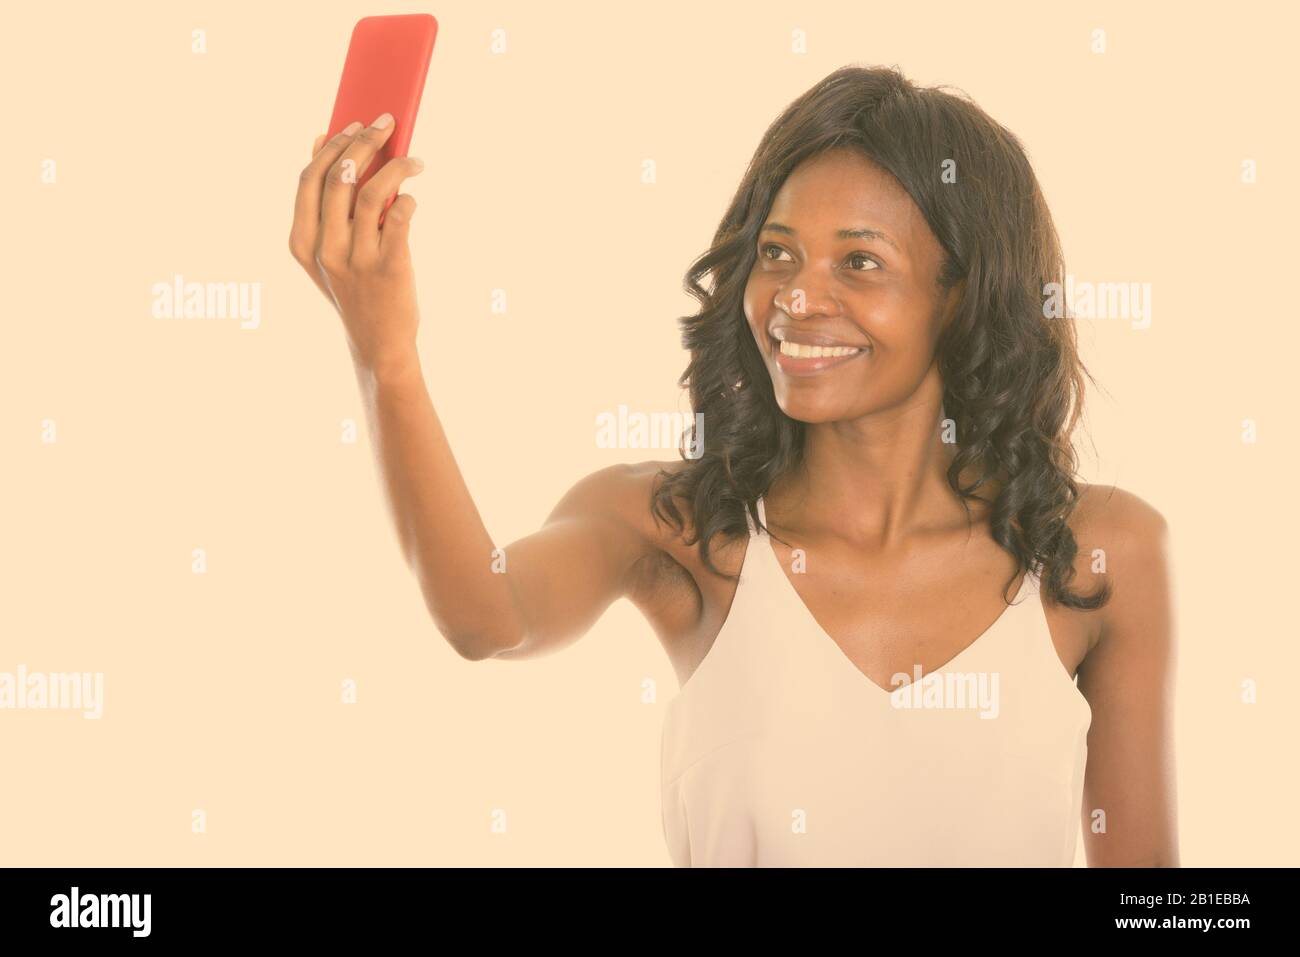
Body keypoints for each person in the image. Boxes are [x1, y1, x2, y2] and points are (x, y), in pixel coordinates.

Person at [288, 65, 1177, 867]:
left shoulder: (1101, 551)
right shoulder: (673, 527)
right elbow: (486, 614)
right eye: (777, 253)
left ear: (964, 294)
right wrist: (386, 356)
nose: (796, 297)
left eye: (859, 261)